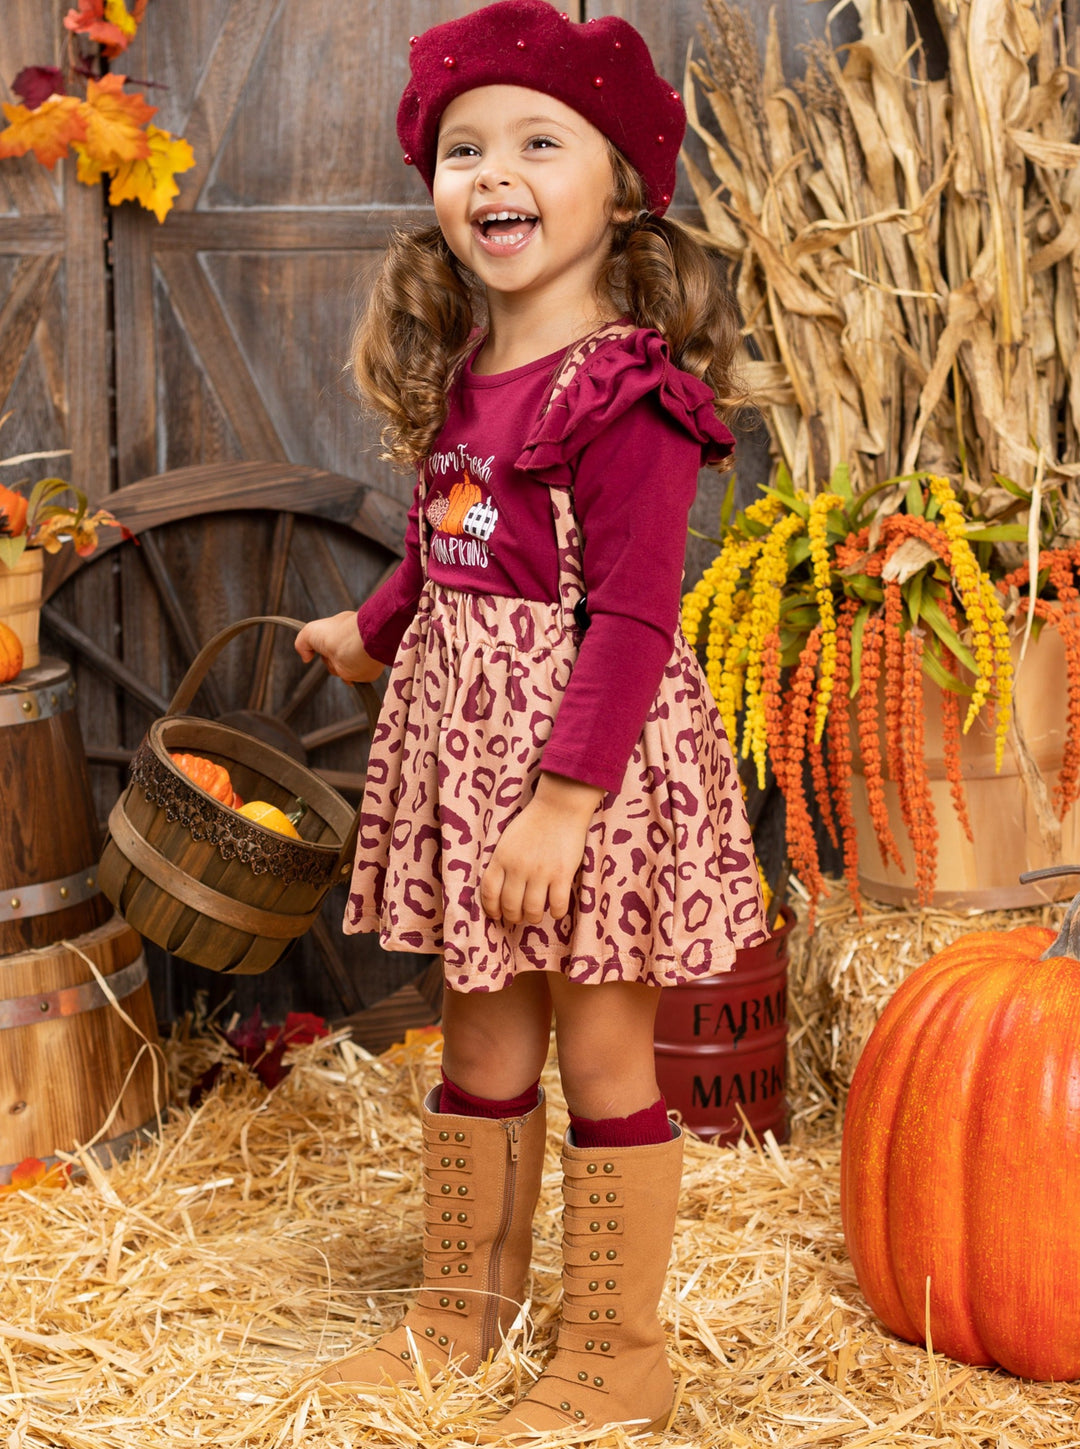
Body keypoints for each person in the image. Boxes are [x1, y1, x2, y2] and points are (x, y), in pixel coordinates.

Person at [295, 0, 766, 1437]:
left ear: (621, 189)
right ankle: (461, 1311)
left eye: (539, 144)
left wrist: (562, 809)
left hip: (583, 778)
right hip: (467, 772)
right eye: (464, 149)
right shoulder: (468, 378)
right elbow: (452, 544)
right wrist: (371, 631)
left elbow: (631, 621)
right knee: (480, 1047)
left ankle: (618, 1347)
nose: (494, 172)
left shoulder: (625, 396)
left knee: (602, 1054)